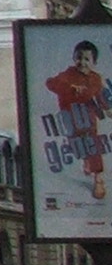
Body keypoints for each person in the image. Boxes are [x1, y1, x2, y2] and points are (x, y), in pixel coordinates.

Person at [44, 40, 109, 200]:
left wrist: (107, 108)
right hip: (69, 116)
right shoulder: (68, 75)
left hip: (88, 116)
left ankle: (98, 177)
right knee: (77, 143)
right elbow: (50, 83)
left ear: (94, 62)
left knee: (93, 143)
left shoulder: (96, 78)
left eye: (87, 59)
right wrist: (70, 88)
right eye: (79, 58)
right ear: (74, 58)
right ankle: (86, 158)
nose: (83, 62)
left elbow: (100, 95)